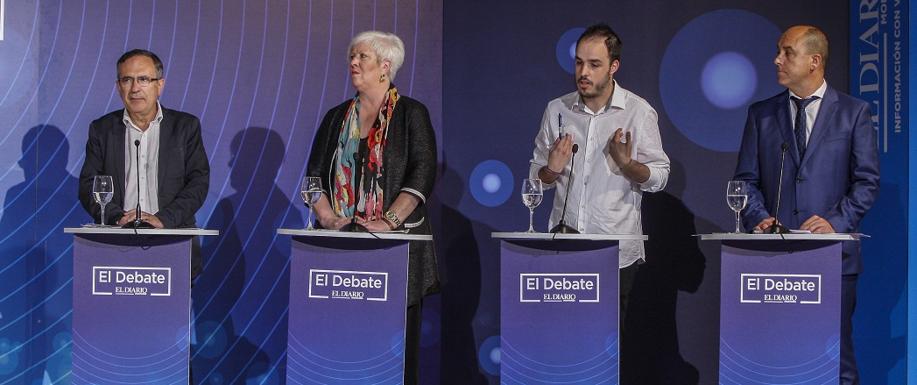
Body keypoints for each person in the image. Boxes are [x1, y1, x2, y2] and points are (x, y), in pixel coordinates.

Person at [733, 25, 879, 384]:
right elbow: (744, 181)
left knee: (834, 361)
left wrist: (835, 222)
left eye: (787, 52)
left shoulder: (853, 113)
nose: (777, 60)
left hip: (832, 256)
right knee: (774, 358)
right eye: (779, 52)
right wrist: (760, 217)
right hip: (772, 259)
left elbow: (867, 181)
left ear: (814, 61)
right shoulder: (762, 114)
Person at [305, 30, 438, 384]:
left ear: (385, 66)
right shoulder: (336, 117)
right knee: (340, 343)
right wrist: (329, 218)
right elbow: (314, 176)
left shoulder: (411, 114)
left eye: (362, 56)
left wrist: (389, 221)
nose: (352, 62)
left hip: (395, 247)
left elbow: (422, 173)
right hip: (341, 247)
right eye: (352, 56)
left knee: (392, 353)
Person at [529, 23, 670, 320]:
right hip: (564, 247)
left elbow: (660, 177)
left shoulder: (638, 112)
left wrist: (628, 165)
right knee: (563, 341)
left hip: (615, 254)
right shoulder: (557, 110)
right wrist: (551, 170)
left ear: (613, 66)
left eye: (594, 65)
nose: (584, 73)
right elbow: (535, 182)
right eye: (579, 63)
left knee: (607, 354)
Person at [78, 49, 211, 278]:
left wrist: (164, 219)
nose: (135, 88)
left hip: (172, 243)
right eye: (127, 79)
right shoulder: (102, 129)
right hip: (115, 246)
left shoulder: (185, 127)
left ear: (160, 85)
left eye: (143, 79)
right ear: (118, 86)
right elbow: (89, 185)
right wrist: (117, 217)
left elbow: (198, 182)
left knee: (169, 314)